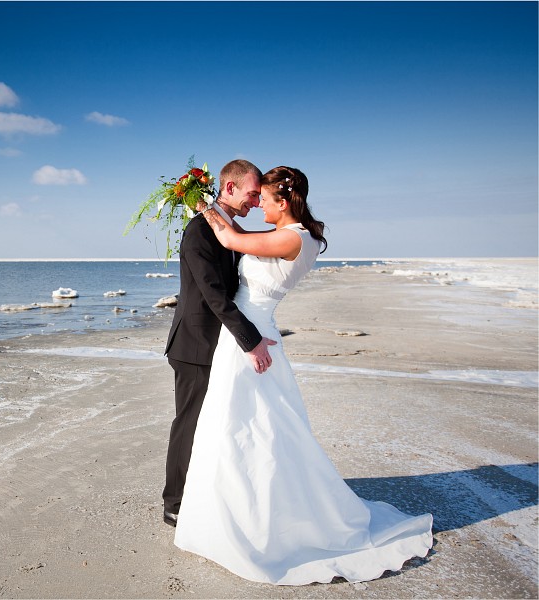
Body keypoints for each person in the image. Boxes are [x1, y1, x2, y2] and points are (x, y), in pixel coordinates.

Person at [173, 166, 433, 585]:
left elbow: (230, 240)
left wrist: (197, 202)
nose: (259, 205)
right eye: (254, 196)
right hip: (250, 333)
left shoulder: (292, 236)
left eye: (265, 198)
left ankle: (250, 514)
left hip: (251, 338)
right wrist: (201, 200)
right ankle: (226, 504)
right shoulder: (297, 235)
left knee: (248, 425)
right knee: (242, 425)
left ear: (284, 200)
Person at [162, 159, 278, 528]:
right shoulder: (199, 232)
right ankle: (174, 502)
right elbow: (214, 295)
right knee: (190, 422)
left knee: (219, 423)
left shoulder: (224, 225)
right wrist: (251, 339)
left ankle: (210, 492)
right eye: (252, 194)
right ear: (229, 188)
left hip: (221, 346)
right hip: (195, 345)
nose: (257, 202)